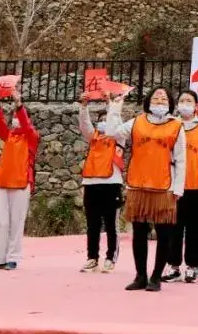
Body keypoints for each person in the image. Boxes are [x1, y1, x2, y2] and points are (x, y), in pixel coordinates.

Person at [105, 89, 186, 292]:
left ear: (170, 103)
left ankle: (156, 276)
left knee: (164, 233)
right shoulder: (136, 122)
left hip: (164, 185)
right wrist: (115, 107)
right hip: (138, 183)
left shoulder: (176, 125)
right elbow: (112, 132)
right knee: (139, 232)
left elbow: (181, 158)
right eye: (156, 97)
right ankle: (140, 275)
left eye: (164, 98)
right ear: (148, 101)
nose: (159, 100)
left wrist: (179, 187)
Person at [164, 91, 198, 284]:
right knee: (174, 229)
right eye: (182, 100)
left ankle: (192, 266)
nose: (185, 103)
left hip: (196, 186)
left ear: (195, 105)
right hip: (173, 187)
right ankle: (173, 266)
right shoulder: (170, 125)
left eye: (189, 101)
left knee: (194, 229)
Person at [0, 90, 38, 271]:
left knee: (16, 222)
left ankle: (13, 257)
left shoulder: (31, 137)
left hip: (21, 183)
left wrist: (19, 104)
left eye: (18, 117)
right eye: (14, 117)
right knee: (1, 222)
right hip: (3, 182)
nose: (15, 119)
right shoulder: (8, 135)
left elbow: (26, 125)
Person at [77, 93, 124, 273]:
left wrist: (112, 104)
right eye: (101, 120)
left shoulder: (118, 137)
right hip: (91, 183)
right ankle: (92, 258)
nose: (104, 123)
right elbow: (84, 125)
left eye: (107, 119)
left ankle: (111, 258)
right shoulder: (93, 137)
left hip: (111, 184)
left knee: (111, 225)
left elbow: (115, 122)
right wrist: (83, 106)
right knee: (92, 225)